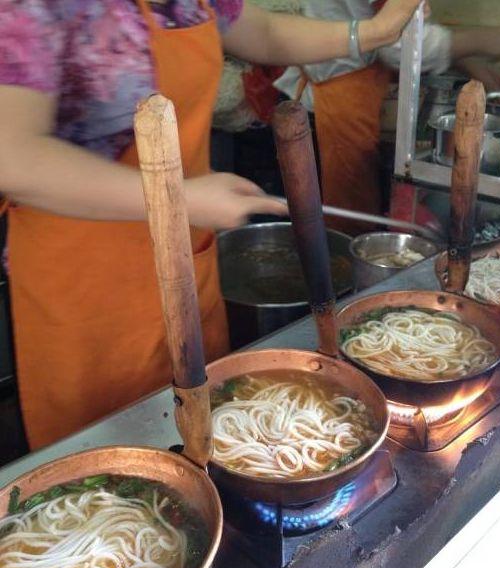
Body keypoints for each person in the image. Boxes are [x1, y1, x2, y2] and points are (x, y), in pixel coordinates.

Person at [0, 0, 422, 449]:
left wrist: (372, 33)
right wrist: (176, 196)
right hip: (86, 286)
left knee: (204, 435)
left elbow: (264, 33)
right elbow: (15, 158)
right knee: (111, 465)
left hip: (185, 254)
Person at [274, 0, 500, 234]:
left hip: (361, 77)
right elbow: (394, 44)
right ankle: (348, 262)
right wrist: (473, 42)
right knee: (348, 208)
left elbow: (402, 23)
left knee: (361, 198)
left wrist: (465, 61)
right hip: (340, 85)